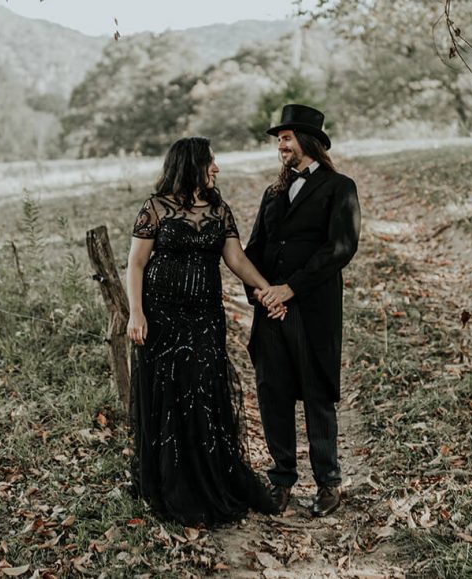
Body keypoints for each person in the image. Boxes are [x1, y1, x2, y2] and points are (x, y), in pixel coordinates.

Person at [125, 137, 283, 526]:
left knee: (203, 396)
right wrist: (136, 314)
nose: (217, 169)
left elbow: (236, 259)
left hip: (205, 318)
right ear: (193, 165)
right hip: (161, 318)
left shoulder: (218, 210)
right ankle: (171, 484)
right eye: (211, 162)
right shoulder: (155, 208)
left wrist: (266, 291)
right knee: (169, 397)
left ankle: (206, 479)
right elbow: (136, 265)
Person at [244, 104, 361, 518]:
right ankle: (280, 481)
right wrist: (262, 294)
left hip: (312, 310)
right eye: (278, 139)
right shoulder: (272, 193)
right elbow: (254, 249)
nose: (281, 145)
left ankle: (328, 483)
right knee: (272, 394)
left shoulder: (339, 187)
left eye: (287, 137)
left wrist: (289, 290)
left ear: (308, 142)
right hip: (270, 311)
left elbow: (340, 248)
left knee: (317, 396)